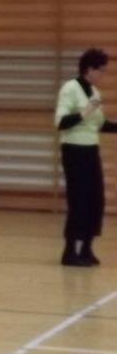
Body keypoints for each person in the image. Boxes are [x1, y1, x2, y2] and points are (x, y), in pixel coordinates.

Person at [55, 48, 117, 266]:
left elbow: (99, 124)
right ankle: (70, 251)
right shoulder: (70, 89)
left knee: (95, 200)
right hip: (74, 151)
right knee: (78, 200)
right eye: (101, 70)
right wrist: (85, 112)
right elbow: (61, 123)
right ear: (89, 69)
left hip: (91, 151)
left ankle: (87, 249)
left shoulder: (94, 92)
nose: (103, 75)